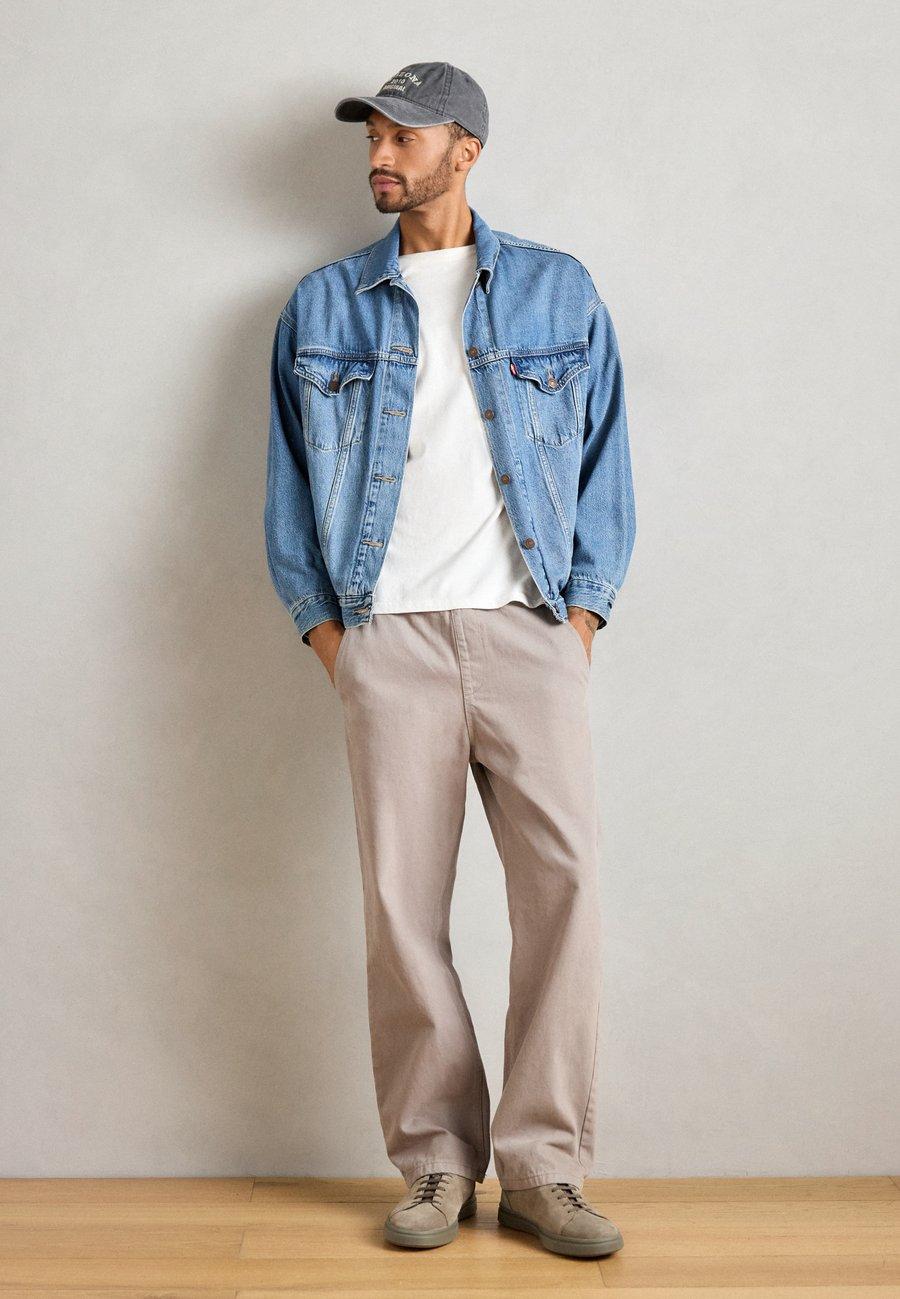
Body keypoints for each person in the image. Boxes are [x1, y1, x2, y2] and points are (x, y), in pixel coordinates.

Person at [264, 61, 636, 1259]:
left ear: (464, 149)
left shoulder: (559, 290)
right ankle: (435, 1160)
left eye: (404, 137)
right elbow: (286, 487)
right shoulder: (322, 306)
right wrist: (336, 642)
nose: (381, 154)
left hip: (530, 632)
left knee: (563, 897)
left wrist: (580, 621)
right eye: (373, 135)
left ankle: (544, 1170)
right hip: (390, 641)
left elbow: (605, 465)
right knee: (401, 911)